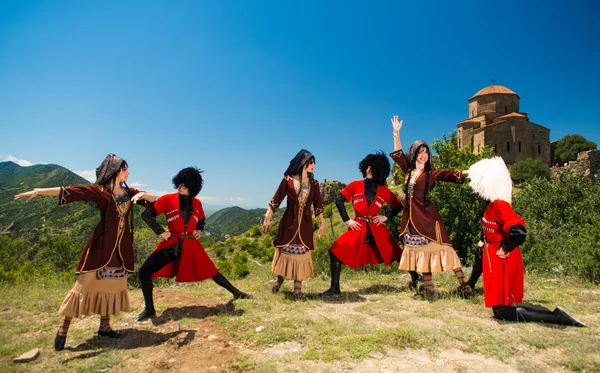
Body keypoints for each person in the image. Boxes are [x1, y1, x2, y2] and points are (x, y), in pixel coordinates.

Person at [14, 153, 156, 351]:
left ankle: (104, 327)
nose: (128, 172)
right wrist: (39, 191)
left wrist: (142, 195)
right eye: (125, 169)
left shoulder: (128, 191)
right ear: (115, 171)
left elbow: (153, 199)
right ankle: (64, 327)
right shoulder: (100, 192)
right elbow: (72, 191)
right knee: (83, 286)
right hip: (101, 247)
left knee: (111, 286)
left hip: (119, 250)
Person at [466, 157, 585, 326]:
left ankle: (557, 317)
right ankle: (556, 316)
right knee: (500, 310)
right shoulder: (490, 203)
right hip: (492, 258)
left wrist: (504, 248)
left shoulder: (500, 205)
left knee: (502, 312)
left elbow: (519, 232)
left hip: (501, 261)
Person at [136, 167, 252, 322]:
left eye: (184, 185)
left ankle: (236, 293)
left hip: (190, 244)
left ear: (192, 188)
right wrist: (161, 232)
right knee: (144, 272)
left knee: (212, 271)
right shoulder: (166, 199)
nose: (180, 187)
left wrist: (199, 229)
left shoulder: (197, 203)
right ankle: (149, 309)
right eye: (179, 183)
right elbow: (147, 215)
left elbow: (202, 219)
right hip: (171, 244)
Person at [390, 116, 473, 298]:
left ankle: (465, 286)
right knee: (421, 251)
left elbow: (452, 175)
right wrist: (396, 132)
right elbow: (398, 154)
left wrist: (474, 172)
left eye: (426, 152)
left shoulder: (432, 173)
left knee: (445, 248)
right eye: (420, 152)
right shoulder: (408, 171)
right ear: (414, 154)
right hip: (411, 218)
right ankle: (429, 288)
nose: (423, 155)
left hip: (428, 217)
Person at [321, 152, 403, 296]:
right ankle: (335, 289)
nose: (368, 170)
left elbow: (398, 206)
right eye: (367, 168)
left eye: (372, 168)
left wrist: (385, 216)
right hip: (358, 226)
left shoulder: (384, 190)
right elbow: (339, 201)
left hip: (376, 227)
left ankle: (415, 277)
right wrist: (347, 220)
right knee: (335, 251)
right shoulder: (354, 185)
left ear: (379, 170)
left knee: (396, 252)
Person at [262, 149, 325, 299]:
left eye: (314, 163)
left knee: (301, 255)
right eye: (311, 162)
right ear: (303, 163)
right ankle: (278, 284)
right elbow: (276, 200)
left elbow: (318, 205)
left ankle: (298, 290)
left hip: (305, 226)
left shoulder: (314, 184)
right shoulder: (288, 181)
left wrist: (322, 224)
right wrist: (267, 218)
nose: (314, 166)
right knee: (286, 254)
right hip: (289, 223)